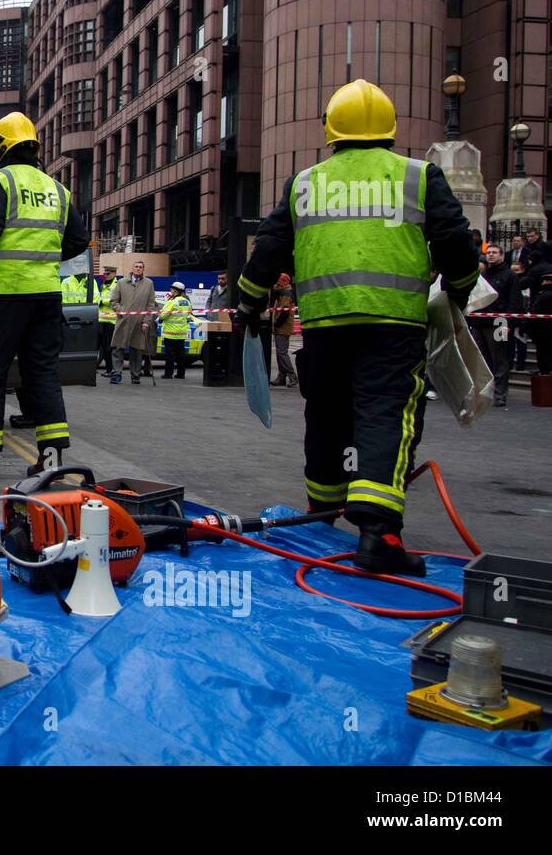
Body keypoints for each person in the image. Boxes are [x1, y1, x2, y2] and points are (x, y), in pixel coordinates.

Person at [236, 79, 478, 578]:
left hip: (325, 325)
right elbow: (455, 243)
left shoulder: (306, 182)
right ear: (390, 129)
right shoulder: (418, 176)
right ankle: (378, 536)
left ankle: (321, 518)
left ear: (332, 131)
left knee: (325, 415)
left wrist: (248, 302)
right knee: (384, 416)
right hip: (393, 327)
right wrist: (459, 289)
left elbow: (270, 249)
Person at [0, 111, 87, 479]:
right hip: (46, 296)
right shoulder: (58, 189)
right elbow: (78, 240)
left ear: (0, 147)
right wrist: (44, 259)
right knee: (42, 373)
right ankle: (51, 459)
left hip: (4, 294)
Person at [471, 243, 522, 409]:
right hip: (479, 322)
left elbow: (514, 302)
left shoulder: (509, 276)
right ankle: (485, 393)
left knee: (500, 359)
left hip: (499, 323)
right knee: (482, 361)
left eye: (494, 252)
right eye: (489, 252)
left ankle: (500, 394)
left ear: (501, 255)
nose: (490, 255)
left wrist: (509, 324)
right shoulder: (483, 275)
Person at [109, 261, 157, 384]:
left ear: (143, 269)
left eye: (140, 267)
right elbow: (114, 301)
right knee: (118, 347)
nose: (138, 269)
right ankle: (117, 373)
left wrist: (146, 321)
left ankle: (135, 374)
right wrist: (122, 311)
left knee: (137, 349)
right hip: (123, 321)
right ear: (132, 268)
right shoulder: (122, 282)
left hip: (139, 322)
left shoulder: (149, 284)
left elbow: (151, 304)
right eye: (136, 267)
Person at [269, 272, 298, 388]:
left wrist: (276, 324)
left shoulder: (286, 293)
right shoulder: (283, 291)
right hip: (280, 326)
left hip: (283, 326)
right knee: (279, 352)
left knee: (282, 352)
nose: (276, 284)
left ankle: (292, 376)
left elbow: (285, 311)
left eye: (278, 282)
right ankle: (281, 377)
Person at [158, 282, 192, 379]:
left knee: (170, 355)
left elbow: (163, 315)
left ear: (175, 291)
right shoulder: (187, 302)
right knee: (180, 354)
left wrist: (160, 314)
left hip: (170, 332)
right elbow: (189, 314)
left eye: (172, 290)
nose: (171, 291)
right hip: (182, 332)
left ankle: (168, 374)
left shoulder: (172, 302)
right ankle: (181, 374)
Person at [531, 269, 552, 375]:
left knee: (544, 355)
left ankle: (545, 373)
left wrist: (525, 327)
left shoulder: (543, 295)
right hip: (544, 330)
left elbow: (534, 311)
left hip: (543, 331)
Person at [97, 268, 118, 376]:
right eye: (105, 273)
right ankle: (109, 369)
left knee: (109, 347)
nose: (106, 275)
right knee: (104, 346)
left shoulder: (116, 285)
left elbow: (114, 300)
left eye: (108, 273)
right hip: (102, 320)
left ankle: (111, 370)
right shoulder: (104, 285)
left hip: (111, 321)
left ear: (114, 273)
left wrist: (101, 302)